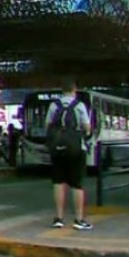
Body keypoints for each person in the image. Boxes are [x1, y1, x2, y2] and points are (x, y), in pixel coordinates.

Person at [45, 79, 93, 231]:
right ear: (74, 90)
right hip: (76, 148)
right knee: (77, 184)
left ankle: (58, 218)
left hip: (57, 148)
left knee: (58, 183)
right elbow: (87, 127)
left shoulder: (54, 105)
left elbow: (48, 126)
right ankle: (79, 219)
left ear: (62, 90)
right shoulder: (79, 105)